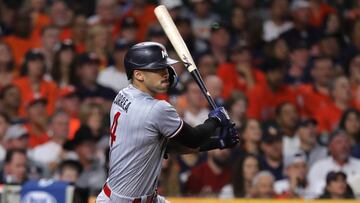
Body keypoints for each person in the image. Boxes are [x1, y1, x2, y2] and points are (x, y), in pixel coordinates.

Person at [95, 42, 238, 203]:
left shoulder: (122, 95)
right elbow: (194, 138)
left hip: (134, 197)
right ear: (138, 75)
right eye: (157, 69)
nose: (165, 73)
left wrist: (217, 142)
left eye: (165, 68)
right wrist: (215, 120)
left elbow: (166, 146)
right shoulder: (156, 109)